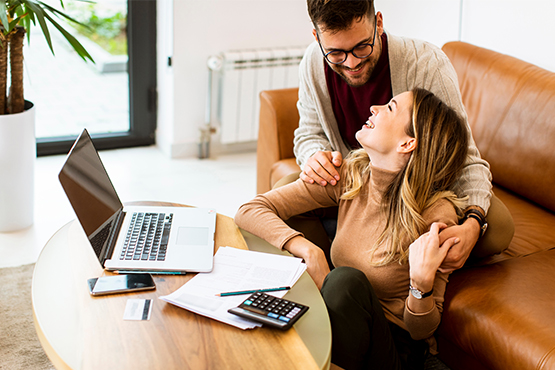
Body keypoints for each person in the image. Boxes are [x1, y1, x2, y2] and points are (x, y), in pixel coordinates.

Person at [236, 88, 468, 369]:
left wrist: (421, 285)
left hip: (393, 349)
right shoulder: (351, 177)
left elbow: (423, 331)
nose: (374, 108)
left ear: (408, 143)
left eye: (390, 108)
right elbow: (250, 210)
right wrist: (308, 249)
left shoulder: (436, 215)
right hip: (339, 326)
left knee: (345, 282)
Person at [291, 0, 514, 271]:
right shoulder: (313, 64)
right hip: (354, 188)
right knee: (286, 188)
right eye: (336, 53)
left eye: (363, 46)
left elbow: (464, 157)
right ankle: (334, 272)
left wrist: (474, 223)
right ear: (317, 38)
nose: (352, 63)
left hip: (416, 195)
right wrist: (315, 156)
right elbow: (308, 134)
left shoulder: (425, 63)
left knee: (498, 226)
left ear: (379, 24)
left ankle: (365, 251)